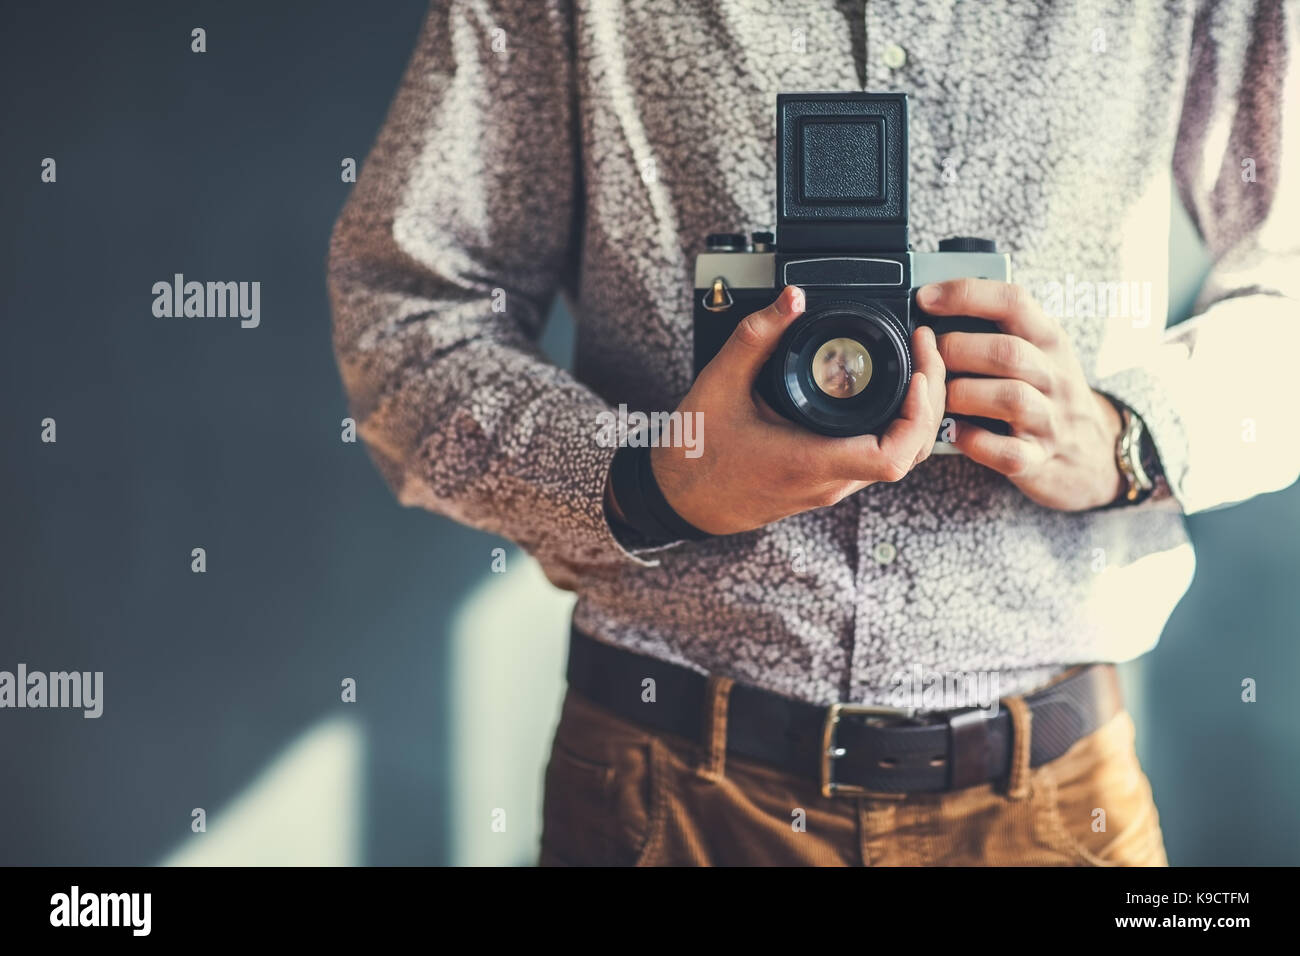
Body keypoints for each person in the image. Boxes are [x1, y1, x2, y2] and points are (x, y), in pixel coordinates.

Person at [328, 0, 1298, 865]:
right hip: (664, 787)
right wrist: (654, 477)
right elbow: (406, 312)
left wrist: (1128, 438)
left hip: (1047, 794)